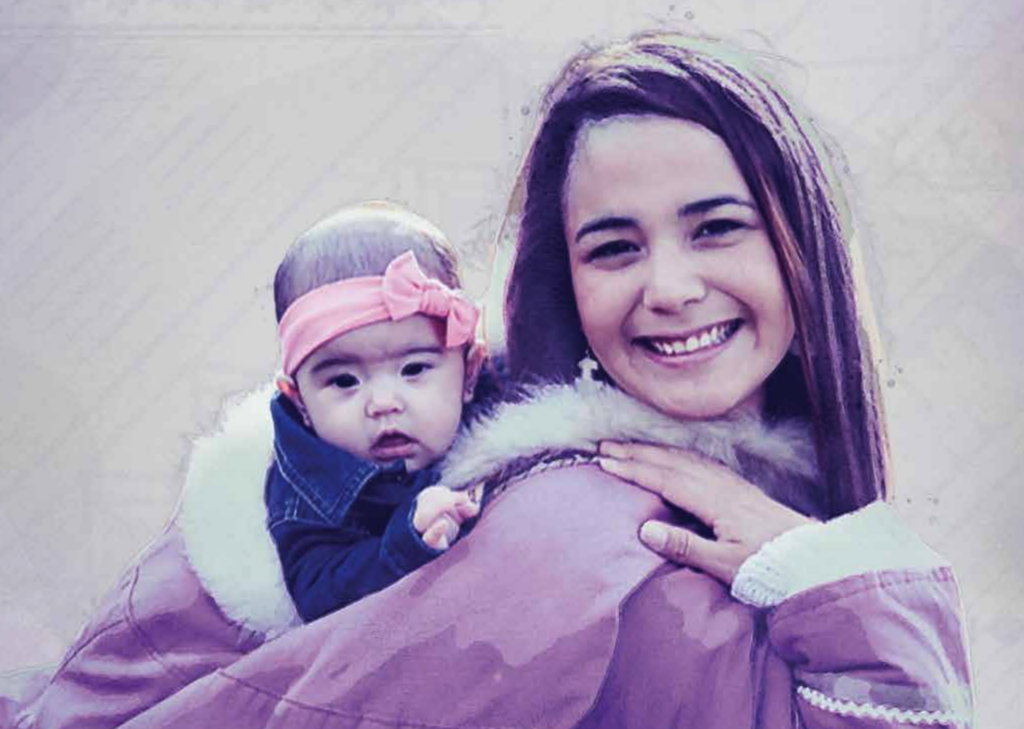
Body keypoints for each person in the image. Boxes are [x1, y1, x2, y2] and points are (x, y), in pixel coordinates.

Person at [6, 32, 972, 729]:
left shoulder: (711, 506)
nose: (671, 289)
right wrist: (845, 589)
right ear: (567, 279)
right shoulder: (592, 546)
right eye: (613, 246)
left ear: (805, 244)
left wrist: (810, 563)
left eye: (717, 226)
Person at [266, 202, 485, 622]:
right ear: (300, 403)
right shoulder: (304, 488)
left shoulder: (507, 401)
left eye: (413, 369)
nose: (383, 403)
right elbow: (320, 592)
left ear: (470, 372)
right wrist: (404, 542)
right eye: (345, 381)